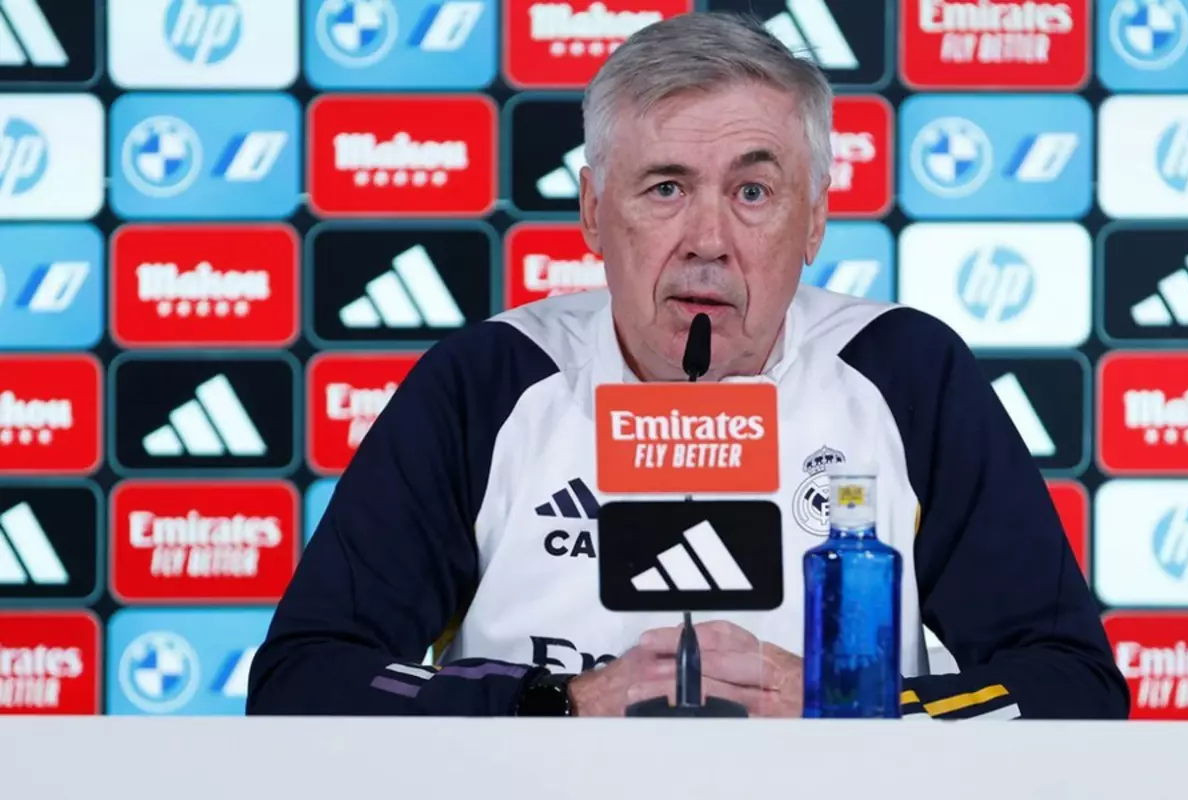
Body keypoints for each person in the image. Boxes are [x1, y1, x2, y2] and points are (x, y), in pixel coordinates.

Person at [246, 11, 1129, 720]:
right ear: (593, 212)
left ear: (815, 221)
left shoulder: (903, 372)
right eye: (665, 187)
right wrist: (559, 705)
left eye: (753, 192)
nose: (708, 240)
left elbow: (1072, 687)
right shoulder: (489, 381)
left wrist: (846, 709)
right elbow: (303, 681)